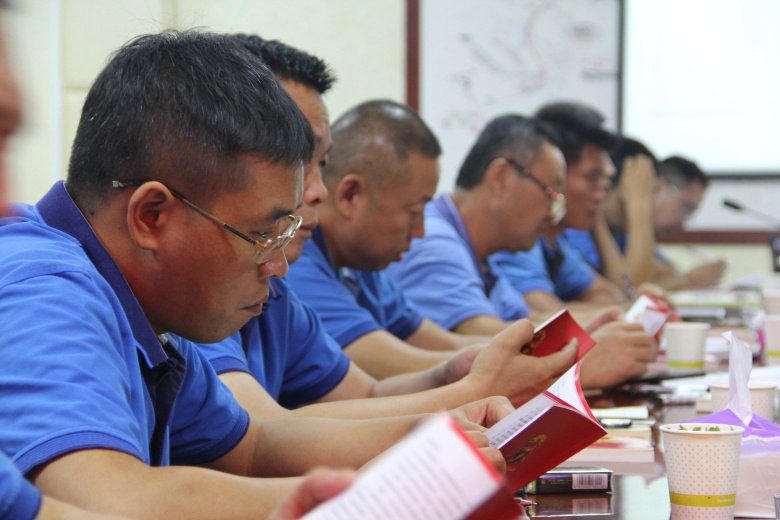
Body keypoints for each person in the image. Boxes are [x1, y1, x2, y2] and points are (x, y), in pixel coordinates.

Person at [0, 31, 502, 519]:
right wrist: (372, 496)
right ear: (152, 216)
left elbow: (254, 444)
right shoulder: (43, 288)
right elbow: (106, 500)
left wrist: (430, 434)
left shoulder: (152, 305)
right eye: (262, 235)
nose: (278, 265)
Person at [195, 36, 574, 419]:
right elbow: (262, 434)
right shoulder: (211, 280)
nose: (319, 190)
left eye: (320, 163)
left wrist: (453, 373)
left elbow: (366, 392)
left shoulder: (278, 282)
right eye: (293, 158)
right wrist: (475, 389)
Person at [284, 99, 577, 401]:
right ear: (351, 195)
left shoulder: (362, 265)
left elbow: (441, 344)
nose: (421, 231)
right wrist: (509, 369)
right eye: (414, 212)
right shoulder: (295, 261)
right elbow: (388, 366)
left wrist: (514, 359)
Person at [387, 114, 656, 389]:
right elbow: (486, 333)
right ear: (501, 178)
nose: (553, 214)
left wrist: (592, 325)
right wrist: (578, 354)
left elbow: (526, 321)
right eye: (551, 195)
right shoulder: (433, 241)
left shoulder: (483, 253)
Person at [490, 102, 651, 321]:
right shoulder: (519, 237)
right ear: (556, 172)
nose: (600, 196)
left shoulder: (556, 244)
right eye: (593, 178)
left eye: (604, 184)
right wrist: (639, 206)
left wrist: (596, 221)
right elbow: (547, 318)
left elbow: (613, 297)